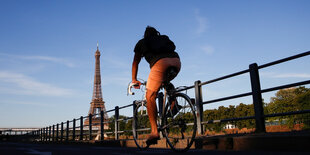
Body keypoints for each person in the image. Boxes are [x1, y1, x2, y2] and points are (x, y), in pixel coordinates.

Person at [131, 26, 181, 145]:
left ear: (145, 35)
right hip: (176, 62)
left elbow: (135, 62)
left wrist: (134, 79)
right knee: (164, 81)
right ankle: (173, 102)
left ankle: (154, 132)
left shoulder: (142, 43)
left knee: (150, 96)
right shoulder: (163, 39)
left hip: (160, 64)